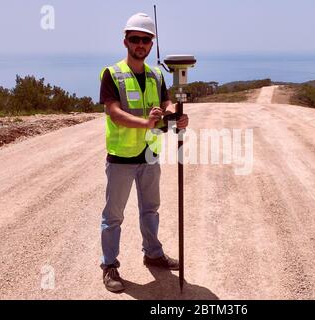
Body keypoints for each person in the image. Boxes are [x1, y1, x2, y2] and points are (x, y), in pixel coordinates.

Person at [99, 12, 189, 293]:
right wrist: (146, 122)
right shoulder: (112, 74)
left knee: (150, 209)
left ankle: (153, 253)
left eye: (145, 40)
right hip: (121, 157)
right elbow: (114, 113)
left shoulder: (156, 74)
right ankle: (109, 265)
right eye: (135, 39)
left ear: (151, 44)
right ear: (125, 41)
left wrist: (177, 116)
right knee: (114, 216)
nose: (140, 44)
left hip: (150, 155)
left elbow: (167, 102)